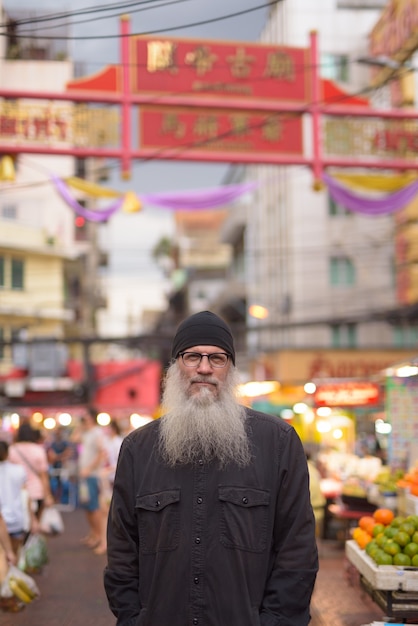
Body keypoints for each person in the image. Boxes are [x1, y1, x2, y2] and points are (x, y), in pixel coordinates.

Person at [104, 310, 318, 626]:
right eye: (192, 357)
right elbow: (122, 550)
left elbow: (297, 549)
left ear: (230, 368)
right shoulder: (139, 449)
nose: (204, 368)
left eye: (217, 358)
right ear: (175, 366)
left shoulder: (278, 442)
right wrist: (135, 619)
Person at [74, 409, 107, 552]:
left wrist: (89, 468)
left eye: (86, 418)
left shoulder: (97, 433)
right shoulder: (87, 433)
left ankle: (99, 536)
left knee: (94, 507)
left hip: (92, 475)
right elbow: (73, 439)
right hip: (85, 474)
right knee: (88, 506)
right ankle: (94, 533)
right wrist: (80, 427)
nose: (84, 420)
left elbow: (102, 453)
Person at [8, 422, 54, 520]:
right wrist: (48, 495)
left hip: (17, 492)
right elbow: (43, 476)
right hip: (36, 491)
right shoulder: (38, 450)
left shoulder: (11, 450)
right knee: (36, 522)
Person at [0, 440, 37, 560]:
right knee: (13, 556)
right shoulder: (18, 470)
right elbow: (25, 495)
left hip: (3, 519)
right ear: (7, 453)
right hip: (16, 518)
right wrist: (32, 518)